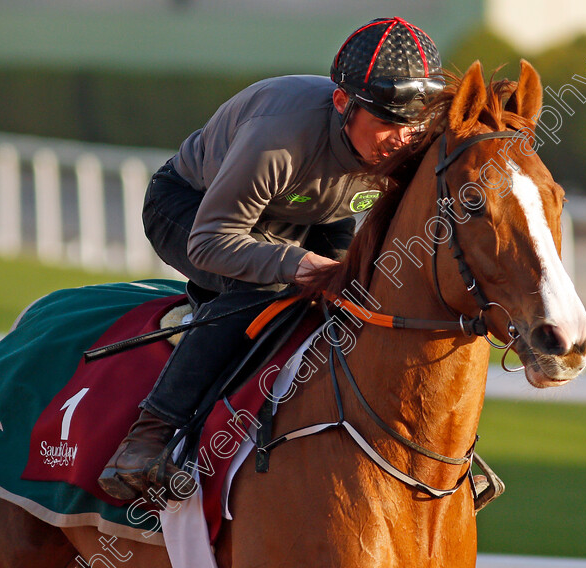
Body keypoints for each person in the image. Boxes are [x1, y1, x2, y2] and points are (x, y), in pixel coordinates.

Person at [98, 16, 445, 503]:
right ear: (342, 101)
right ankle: (148, 437)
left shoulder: (407, 139)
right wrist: (298, 265)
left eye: (415, 124)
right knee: (262, 289)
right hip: (192, 210)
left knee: (356, 302)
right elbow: (210, 242)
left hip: (313, 216)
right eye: (387, 122)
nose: (403, 140)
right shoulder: (278, 135)